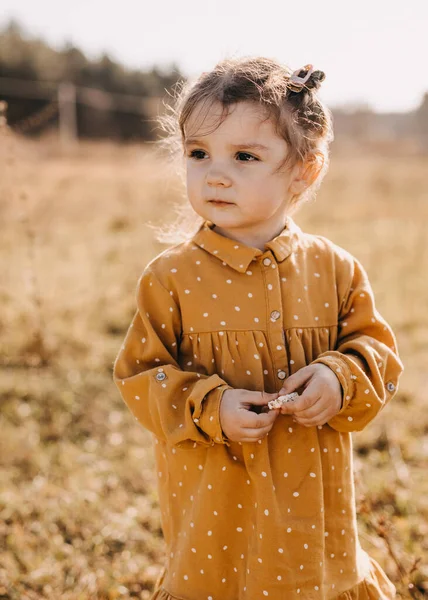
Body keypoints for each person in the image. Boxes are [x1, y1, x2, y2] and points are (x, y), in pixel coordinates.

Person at [113, 57, 404, 600]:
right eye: (198, 153)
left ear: (305, 170)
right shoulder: (170, 277)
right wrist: (209, 406)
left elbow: (377, 352)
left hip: (315, 520)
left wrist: (339, 376)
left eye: (245, 156)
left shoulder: (334, 268)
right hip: (216, 517)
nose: (215, 173)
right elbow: (139, 376)